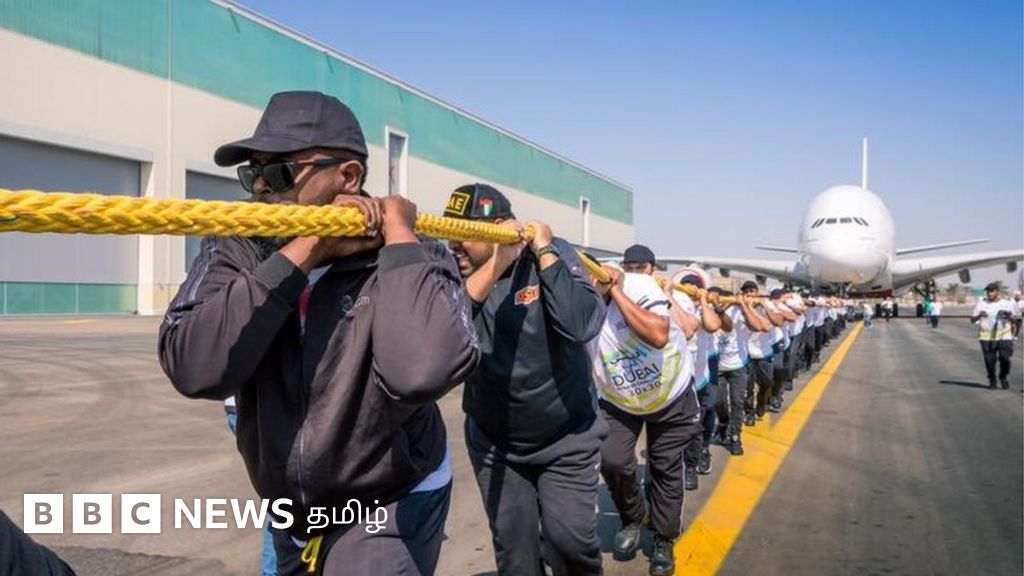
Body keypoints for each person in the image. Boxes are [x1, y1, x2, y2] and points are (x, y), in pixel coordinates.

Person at [159, 91, 480, 575]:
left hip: (389, 497)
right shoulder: (240, 245)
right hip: (291, 510)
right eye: (252, 173)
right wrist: (307, 249)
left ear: (347, 176)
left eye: (279, 172)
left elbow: (419, 372)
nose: (260, 188)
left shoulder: (418, 253)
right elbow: (193, 365)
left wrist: (398, 238)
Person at [446, 184, 607, 576]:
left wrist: (545, 249)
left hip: (566, 438)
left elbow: (581, 322)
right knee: (515, 559)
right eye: (449, 231)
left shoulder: (550, 254)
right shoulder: (450, 270)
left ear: (501, 226)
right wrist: (494, 266)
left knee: (570, 545)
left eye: (464, 232)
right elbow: (443, 340)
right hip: (495, 443)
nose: (453, 243)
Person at [587, 246, 699, 576]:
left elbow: (658, 334)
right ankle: (633, 516)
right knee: (612, 459)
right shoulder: (580, 298)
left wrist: (617, 293)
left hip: (670, 393)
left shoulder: (640, 285)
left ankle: (663, 539)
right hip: (620, 399)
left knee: (664, 466)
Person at [672, 269, 725, 490]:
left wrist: (703, 301)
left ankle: (693, 463)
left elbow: (712, 326)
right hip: (679, 378)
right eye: (687, 286)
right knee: (682, 427)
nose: (691, 290)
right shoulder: (674, 305)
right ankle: (683, 463)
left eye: (696, 287)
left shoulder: (705, 309)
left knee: (700, 421)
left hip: (701, 375)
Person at [714, 287, 770, 454]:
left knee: (737, 403)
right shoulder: (709, 311)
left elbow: (759, 326)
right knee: (718, 402)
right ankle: (724, 422)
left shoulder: (739, 311)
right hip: (718, 366)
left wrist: (744, 306)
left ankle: (735, 436)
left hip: (738, 365)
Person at [970, 282, 1016, 390]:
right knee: (990, 361)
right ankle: (992, 379)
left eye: (992, 291)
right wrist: (979, 315)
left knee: (1005, 358)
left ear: (997, 292)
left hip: (1004, 335)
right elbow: (972, 320)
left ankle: (1003, 376)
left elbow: (1015, 320)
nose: (989, 293)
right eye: (988, 291)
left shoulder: (1007, 304)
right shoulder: (981, 304)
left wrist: (1008, 317)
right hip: (987, 337)